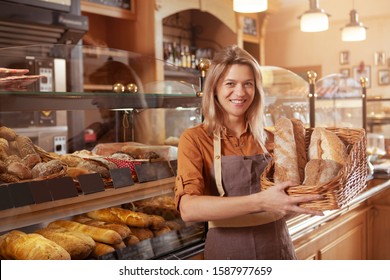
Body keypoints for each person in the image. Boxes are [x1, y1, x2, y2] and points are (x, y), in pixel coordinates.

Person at [174, 45, 324, 260]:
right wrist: (262, 202)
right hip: (227, 253)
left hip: (278, 249)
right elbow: (189, 209)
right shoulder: (195, 139)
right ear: (214, 88)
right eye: (230, 84)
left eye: (248, 84)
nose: (240, 92)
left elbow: (286, 201)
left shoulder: (271, 140)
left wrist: (304, 199)